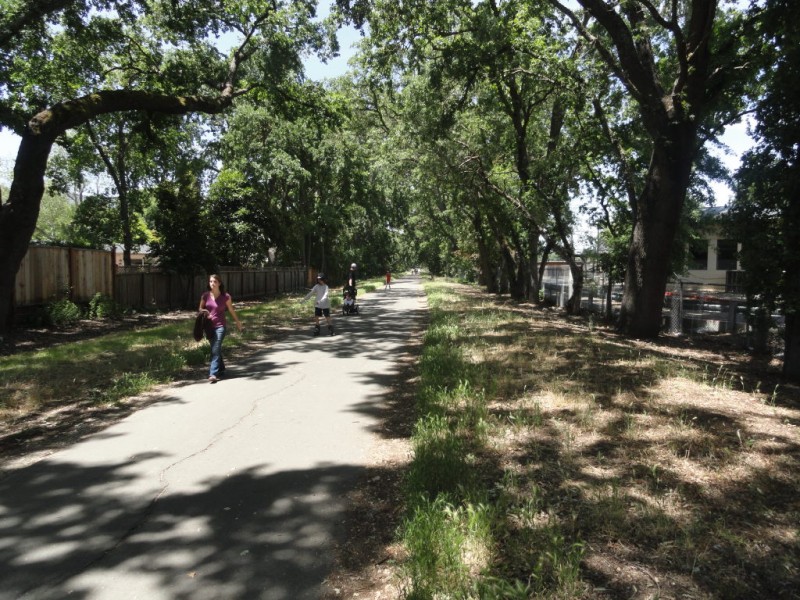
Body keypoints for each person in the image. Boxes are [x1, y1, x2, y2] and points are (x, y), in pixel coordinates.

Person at [198, 273, 243, 383]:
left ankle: (213, 373)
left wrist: (238, 322)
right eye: (210, 281)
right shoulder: (205, 295)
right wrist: (204, 311)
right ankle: (221, 369)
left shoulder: (225, 296)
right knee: (215, 348)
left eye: (215, 281)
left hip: (220, 327)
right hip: (208, 327)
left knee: (215, 348)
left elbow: (231, 310)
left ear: (219, 283)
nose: (212, 283)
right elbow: (200, 308)